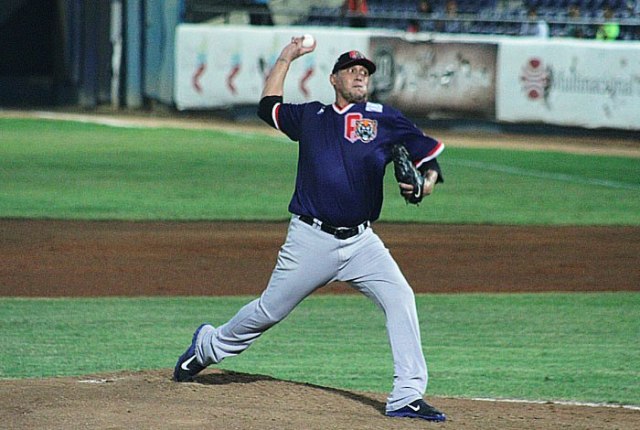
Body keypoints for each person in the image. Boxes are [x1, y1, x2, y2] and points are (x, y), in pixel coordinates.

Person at [173, 38, 447, 422]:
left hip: (362, 242)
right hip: (310, 239)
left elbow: (429, 160)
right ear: (334, 79)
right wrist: (286, 57)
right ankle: (207, 347)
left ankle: (406, 395)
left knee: (400, 297)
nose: (359, 75)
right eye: (351, 70)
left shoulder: (385, 118)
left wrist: (425, 182)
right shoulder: (312, 116)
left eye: (365, 71)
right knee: (268, 311)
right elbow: (267, 107)